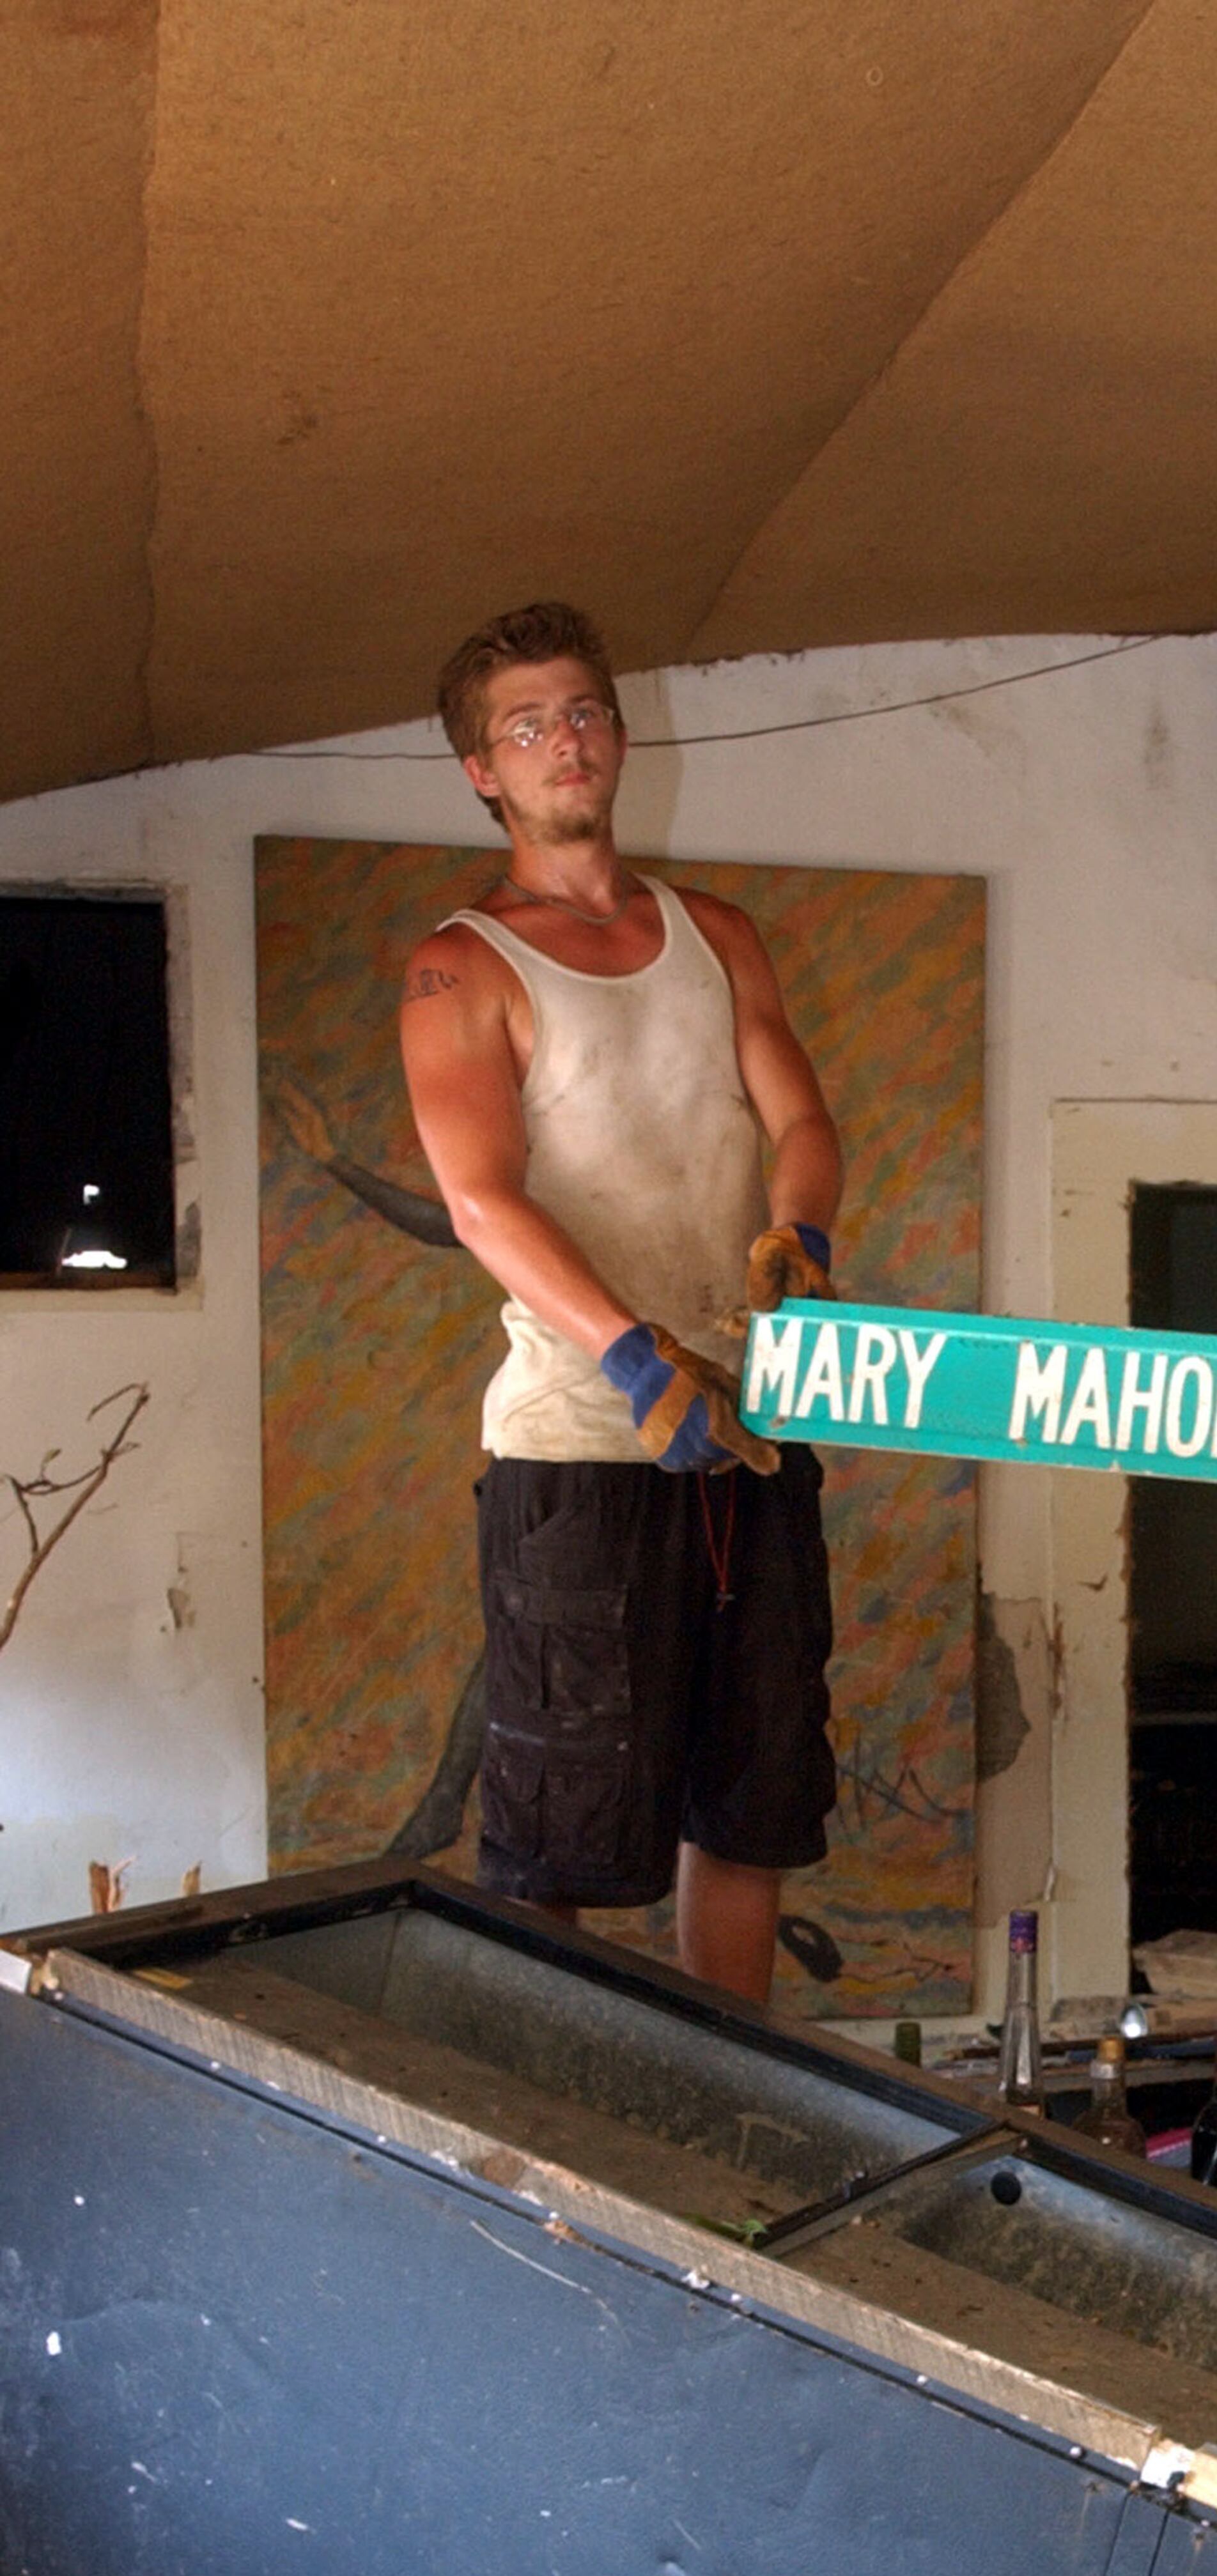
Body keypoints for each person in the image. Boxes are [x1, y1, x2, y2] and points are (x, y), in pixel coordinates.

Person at [401, 599, 844, 2003]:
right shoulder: (463, 963)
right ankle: (566, 2150)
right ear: (485, 770)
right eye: (525, 725)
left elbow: (804, 1121)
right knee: (558, 1840)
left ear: (620, 732)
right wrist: (635, 1359)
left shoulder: (719, 934)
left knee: (754, 1800)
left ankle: (722, 2125)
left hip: (756, 1431)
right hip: (585, 1448)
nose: (563, 741)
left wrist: (803, 1237)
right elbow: (482, 1200)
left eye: (581, 710)